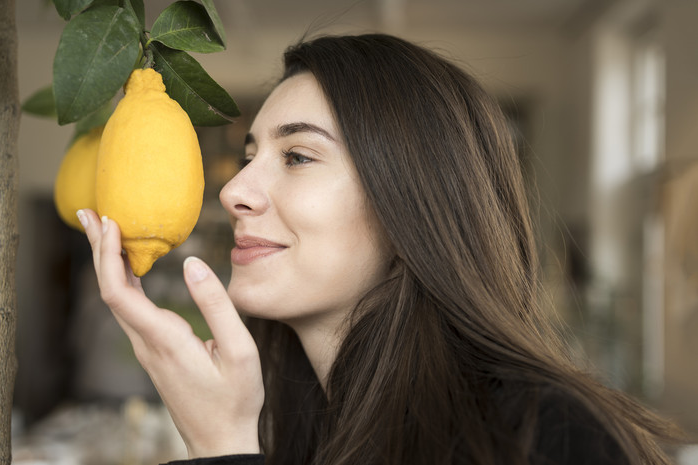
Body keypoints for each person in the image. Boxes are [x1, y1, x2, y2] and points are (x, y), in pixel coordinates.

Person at [76, 34, 683, 465]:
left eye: (297, 156)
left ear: (411, 200)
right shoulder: (304, 428)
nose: (233, 189)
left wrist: (220, 451)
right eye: (251, 155)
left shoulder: (549, 437)